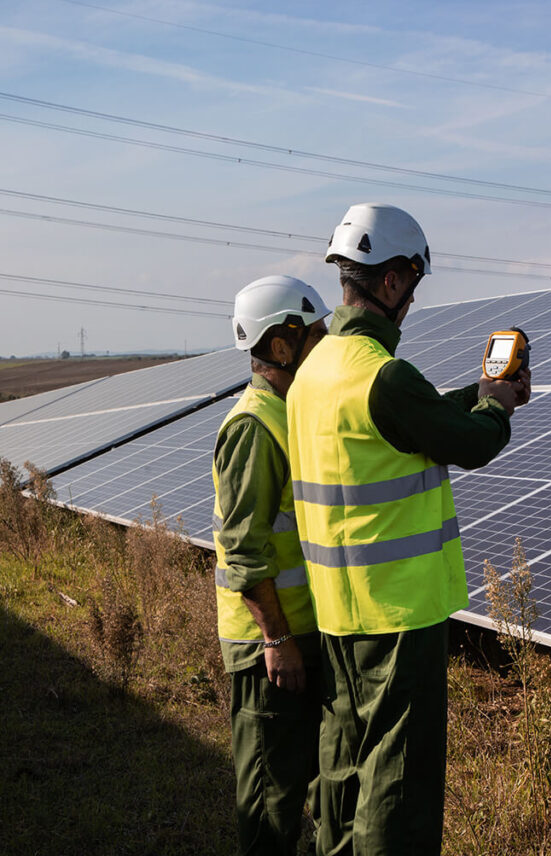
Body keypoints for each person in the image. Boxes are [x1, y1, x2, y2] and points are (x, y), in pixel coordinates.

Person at [286, 203, 530, 856]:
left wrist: (477, 392)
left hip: (337, 610)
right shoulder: (383, 375)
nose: (412, 302)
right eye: (413, 287)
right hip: (398, 614)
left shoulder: (314, 373)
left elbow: (402, 425)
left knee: (342, 763)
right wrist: (497, 405)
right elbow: (471, 444)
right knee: (398, 780)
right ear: (392, 281)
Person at [212, 274, 330, 856]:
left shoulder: (292, 412)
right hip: (268, 648)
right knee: (269, 804)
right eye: (314, 332)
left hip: (301, 633)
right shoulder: (254, 426)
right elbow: (244, 548)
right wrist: (277, 637)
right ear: (279, 346)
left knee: (304, 789)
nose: (327, 340)